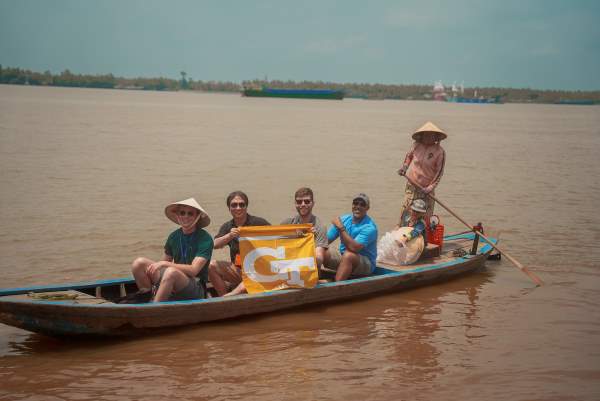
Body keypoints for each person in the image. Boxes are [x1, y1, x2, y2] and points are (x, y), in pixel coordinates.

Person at [128, 198, 213, 303]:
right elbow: (162, 264)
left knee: (170, 272)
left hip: (196, 286)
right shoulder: (174, 236)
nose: (186, 216)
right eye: (182, 213)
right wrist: (162, 267)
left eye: (190, 214)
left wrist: (164, 264)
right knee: (139, 263)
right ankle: (148, 296)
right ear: (177, 215)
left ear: (197, 217)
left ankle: (154, 308)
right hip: (174, 277)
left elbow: (193, 270)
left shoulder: (205, 239)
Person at [208, 191, 270, 296]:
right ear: (229, 208)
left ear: (246, 206)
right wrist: (230, 235)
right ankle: (222, 298)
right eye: (234, 205)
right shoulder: (227, 226)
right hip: (238, 270)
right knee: (210, 266)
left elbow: (277, 235)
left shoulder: (258, 222)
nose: (238, 208)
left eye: (242, 204)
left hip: (258, 271)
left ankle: (229, 296)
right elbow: (214, 245)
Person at [397, 121, 447, 225]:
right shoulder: (416, 145)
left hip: (426, 190)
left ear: (436, 137)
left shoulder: (439, 152)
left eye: (431, 135)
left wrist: (429, 188)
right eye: (426, 134)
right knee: (406, 213)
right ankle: (402, 232)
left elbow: (439, 172)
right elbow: (409, 157)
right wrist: (404, 168)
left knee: (423, 218)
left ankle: (422, 237)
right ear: (422, 135)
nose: (428, 137)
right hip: (412, 186)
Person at [323, 193, 378, 281]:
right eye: (355, 203)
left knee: (349, 255)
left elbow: (354, 248)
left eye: (362, 204)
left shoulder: (370, 227)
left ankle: (337, 287)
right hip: (343, 256)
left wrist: (341, 228)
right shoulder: (344, 219)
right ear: (352, 205)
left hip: (365, 264)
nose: (358, 206)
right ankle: (314, 280)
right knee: (322, 249)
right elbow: (325, 240)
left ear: (367, 208)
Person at [280, 187, 328, 270]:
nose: (303, 204)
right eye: (299, 202)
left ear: (313, 203)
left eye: (307, 201)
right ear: (295, 203)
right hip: (288, 266)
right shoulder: (286, 224)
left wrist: (308, 239)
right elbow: (275, 246)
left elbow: (319, 260)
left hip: (309, 270)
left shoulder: (320, 227)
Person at [377, 199, 427, 266]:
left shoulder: (421, 223)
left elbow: (414, 233)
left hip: (415, 245)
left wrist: (403, 240)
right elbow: (400, 227)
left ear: (422, 213)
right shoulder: (406, 217)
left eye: (418, 212)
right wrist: (393, 234)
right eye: (414, 211)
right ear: (410, 209)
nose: (415, 213)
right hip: (403, 240)